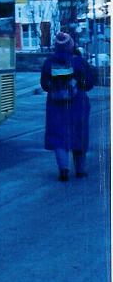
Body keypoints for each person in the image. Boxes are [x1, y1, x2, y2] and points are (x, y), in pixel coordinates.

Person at [41, 31, 95, 181]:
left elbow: (44, 85)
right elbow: (89, 84)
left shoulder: (49, 62)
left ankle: (63, 169)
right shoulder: (79, 62)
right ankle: (80, 170)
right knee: (79, 135)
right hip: (78, 105)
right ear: (71, 45)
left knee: (58, 137)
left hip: (55, 107)